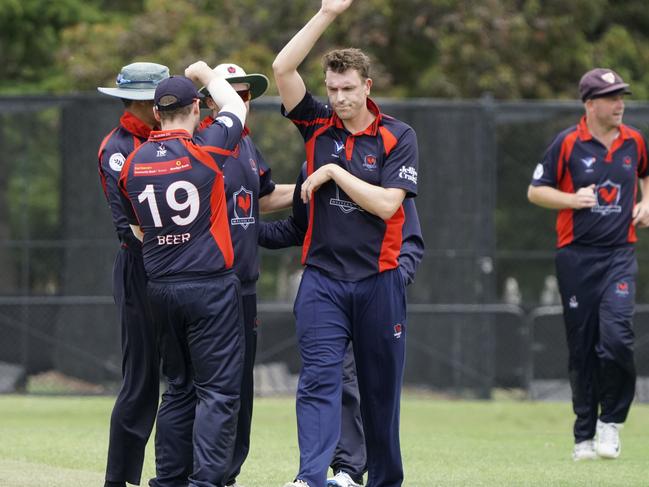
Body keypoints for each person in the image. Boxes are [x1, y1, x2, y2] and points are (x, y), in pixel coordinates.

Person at [272, 0, 420, 485]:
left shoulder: (399, 137)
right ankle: (311, 477)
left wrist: (334, 171)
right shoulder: (316, 124)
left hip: (380, 281)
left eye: (348, 89)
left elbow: (386, 205)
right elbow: (282, 67)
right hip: (322, 281)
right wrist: (327, 14)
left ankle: (382, 479)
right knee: (318, 380)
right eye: (332, 89)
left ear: (367, 86)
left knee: (380, 394)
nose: (338, 98)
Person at [163, 62, 293, 487]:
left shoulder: (248, 147)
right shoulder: (201, 143)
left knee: (236, 388)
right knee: (199, 389)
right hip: (205, 284)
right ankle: (193, 476)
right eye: (231, 92)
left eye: (247, 94)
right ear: (207, 101)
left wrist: (322, 184)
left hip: (243, 285)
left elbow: (265, 197)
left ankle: (225, 474)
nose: (241, 101)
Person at [118, 63, 247, 487]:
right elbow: (232, 105)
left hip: (161, 289)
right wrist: (207, 73)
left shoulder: (132, 164)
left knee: (178, 388)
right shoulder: (206, 147)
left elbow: (138, 226)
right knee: (219, 393)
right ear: (196, 108)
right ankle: (205, 481)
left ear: (156, 113)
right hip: (210, 287)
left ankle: (168, 480)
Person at [258, 164, 425, 487]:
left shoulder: (387, 168)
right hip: (327, 292)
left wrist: (392, 282)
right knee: (322, 377)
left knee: (374, 386)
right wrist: (241, 226)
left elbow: (411, 240)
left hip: (376, 294)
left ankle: (355, 470)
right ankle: (319, 475)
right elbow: (297, 229)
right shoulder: (312, 165)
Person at [528, 67, 649, 461]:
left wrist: (646, 202)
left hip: (619, 255)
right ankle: (583, 436)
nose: (620, 104)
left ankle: (610, 422)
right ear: (590, 104)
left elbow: (646, 175)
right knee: (582, 348)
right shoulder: (567, 143)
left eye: (622, 97)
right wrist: (572, 199)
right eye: (612, 97)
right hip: (576, 257)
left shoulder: (634, 141)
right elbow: (535, 192)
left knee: (617, 340)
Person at [97, 61, 169, 487]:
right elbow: (128, 225)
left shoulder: (174, 137)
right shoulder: (118, 147)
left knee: (184, 380)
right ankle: (119, 480)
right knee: (141, 382)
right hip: (140, 268)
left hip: (180, 270)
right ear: (143, 102)